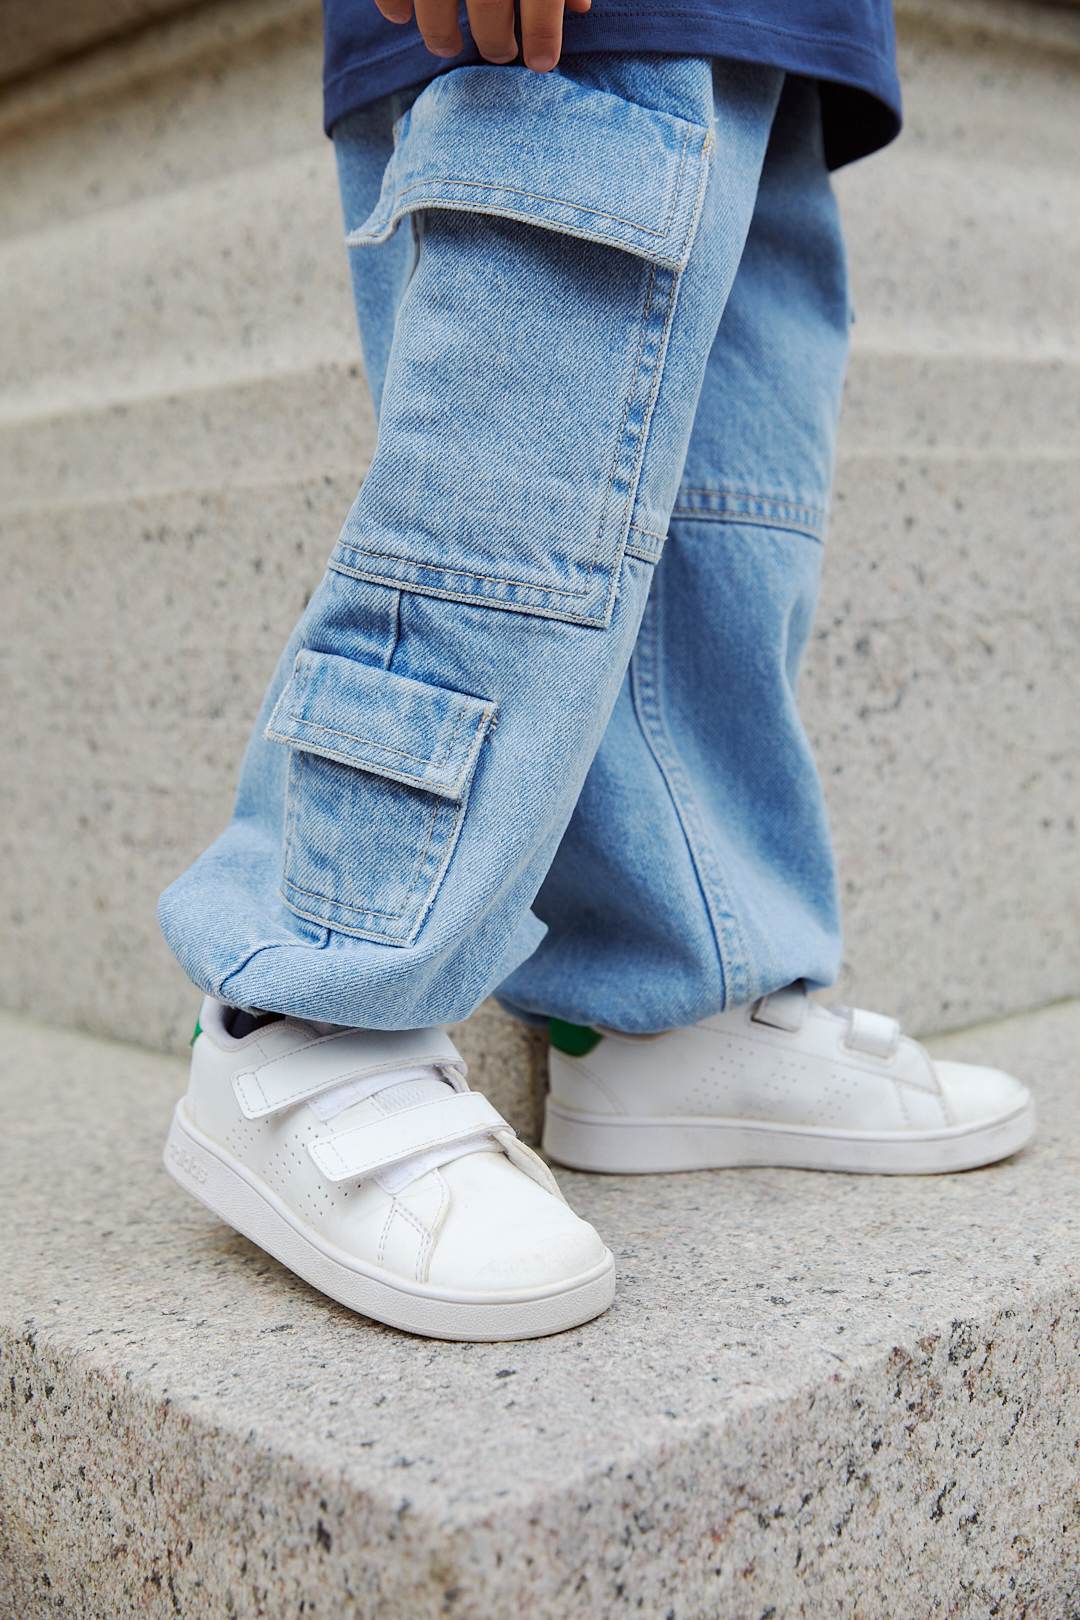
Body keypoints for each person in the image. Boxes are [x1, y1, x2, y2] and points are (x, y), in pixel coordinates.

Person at [158, 0, 1035, 1341]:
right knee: (516, 484)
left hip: (789, 32)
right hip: (559, 29)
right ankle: (308, 1007)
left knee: (722, 512)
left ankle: (677, 1000)